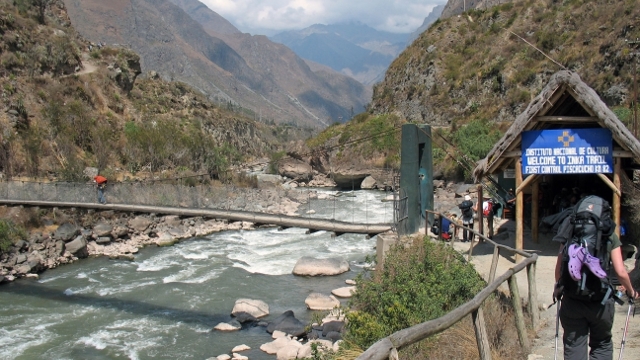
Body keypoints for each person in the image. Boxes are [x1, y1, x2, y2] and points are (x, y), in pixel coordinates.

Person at [554, 214, 639, 359]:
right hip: (601, 301)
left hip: (573, 299)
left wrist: (559, 288)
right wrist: (631, 291)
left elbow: (559, 270)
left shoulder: (570, 232)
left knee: (574, 345)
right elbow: (620, 272)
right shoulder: (609, 234)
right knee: (602, 344)